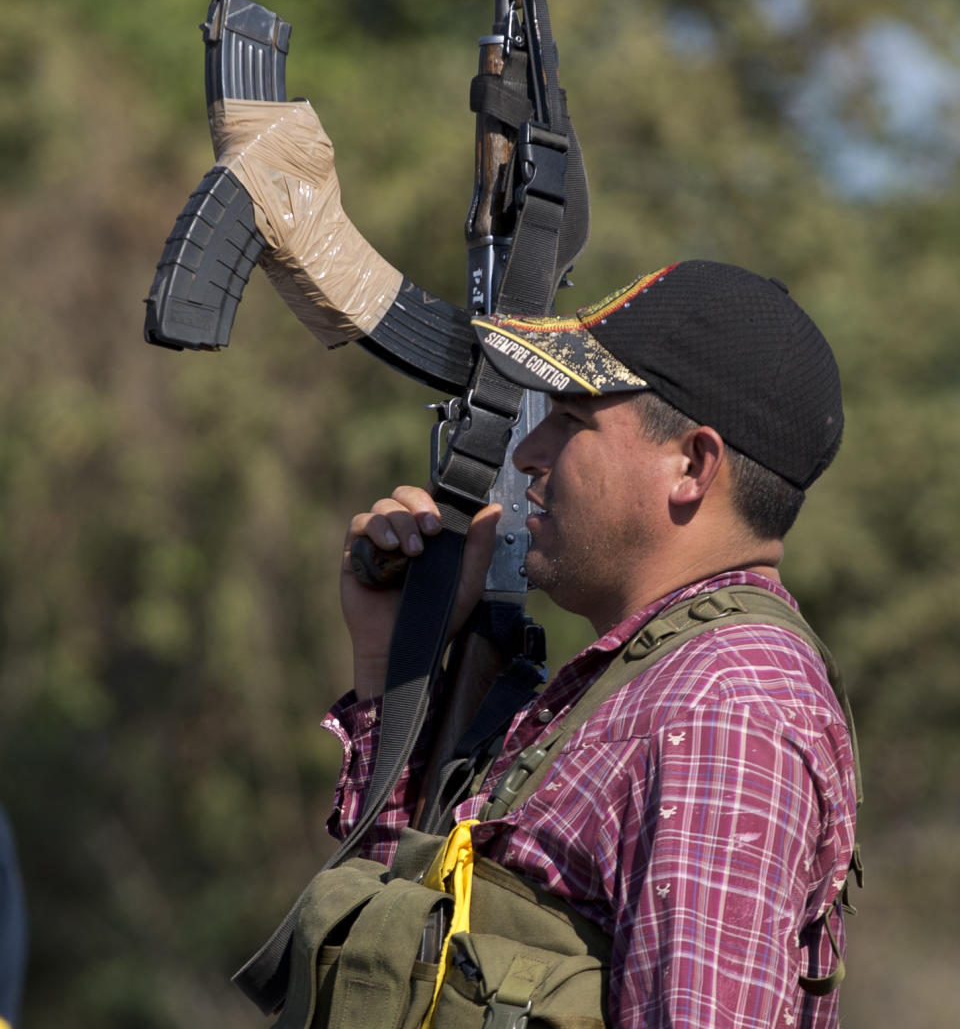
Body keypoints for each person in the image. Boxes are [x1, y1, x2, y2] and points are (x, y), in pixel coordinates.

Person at [324, 260, 858, 1029]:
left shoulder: (720, 711)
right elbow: (398, 964)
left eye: (572, 420)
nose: (529, 454)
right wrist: (392, 660)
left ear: (693, 465)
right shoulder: (644, 683)